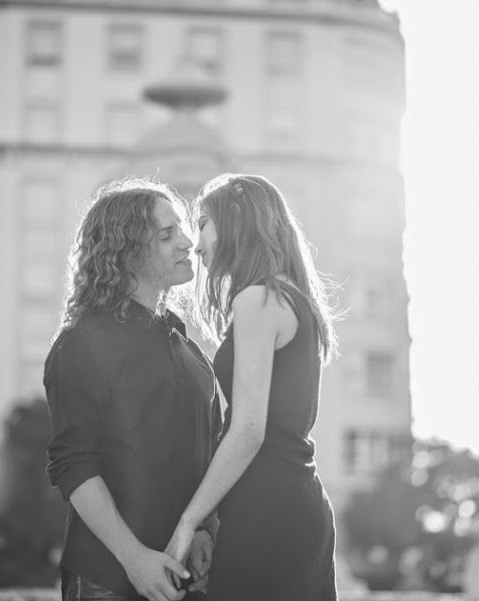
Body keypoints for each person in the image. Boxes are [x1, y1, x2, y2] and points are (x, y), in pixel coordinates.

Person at [165, 173, 340, 601]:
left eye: (203, 222)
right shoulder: (294, 297)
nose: (197, 243)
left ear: (237, 220)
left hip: (269, 509)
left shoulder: (258, 300)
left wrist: (190, 521)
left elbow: (246, 431)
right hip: (296, 501)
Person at [44, 178, 221, 601]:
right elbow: (75, 464)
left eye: (182, 229)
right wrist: (134, 558)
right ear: (127, 252)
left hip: (182, 574)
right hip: (107, 577)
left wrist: (201, 531)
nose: (186, 243)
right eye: (167, 234)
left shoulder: (186, 346)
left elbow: (205, 451)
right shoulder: (81, 342)